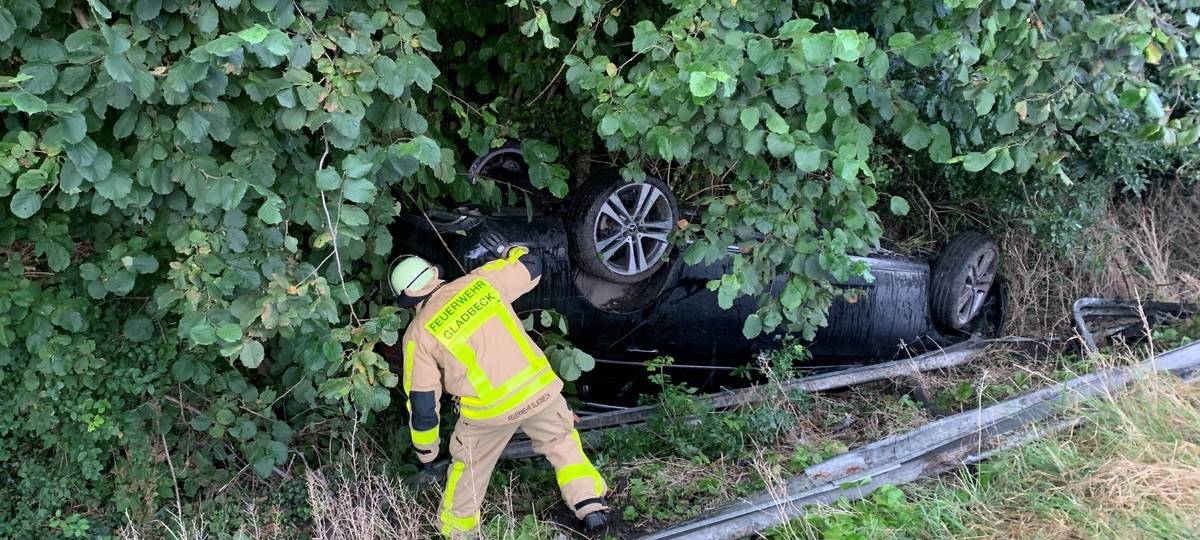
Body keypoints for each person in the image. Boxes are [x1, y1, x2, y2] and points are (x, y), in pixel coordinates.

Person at [390, 238, 609, 538]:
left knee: (469, 467)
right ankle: (590, 505)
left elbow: (423, 402)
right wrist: (510, 250)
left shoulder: (418, 334)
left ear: (407, 299)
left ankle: (456, 531)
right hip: (539, 390)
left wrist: (427, 452)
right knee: (562, 442)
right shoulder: (482, 282)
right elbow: (532, 266)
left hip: (488, 412)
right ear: (434, 275)